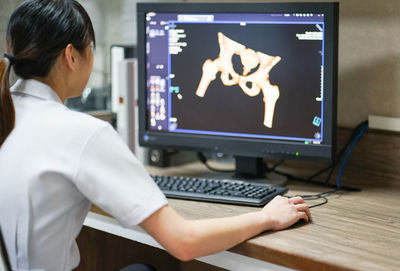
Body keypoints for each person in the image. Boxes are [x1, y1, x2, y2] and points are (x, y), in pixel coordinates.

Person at [0, 0, 312, 270]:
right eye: (90, 49)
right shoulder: (82, 134)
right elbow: (184, 243)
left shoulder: (8, 114)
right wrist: (268, 217)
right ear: (71, 56)